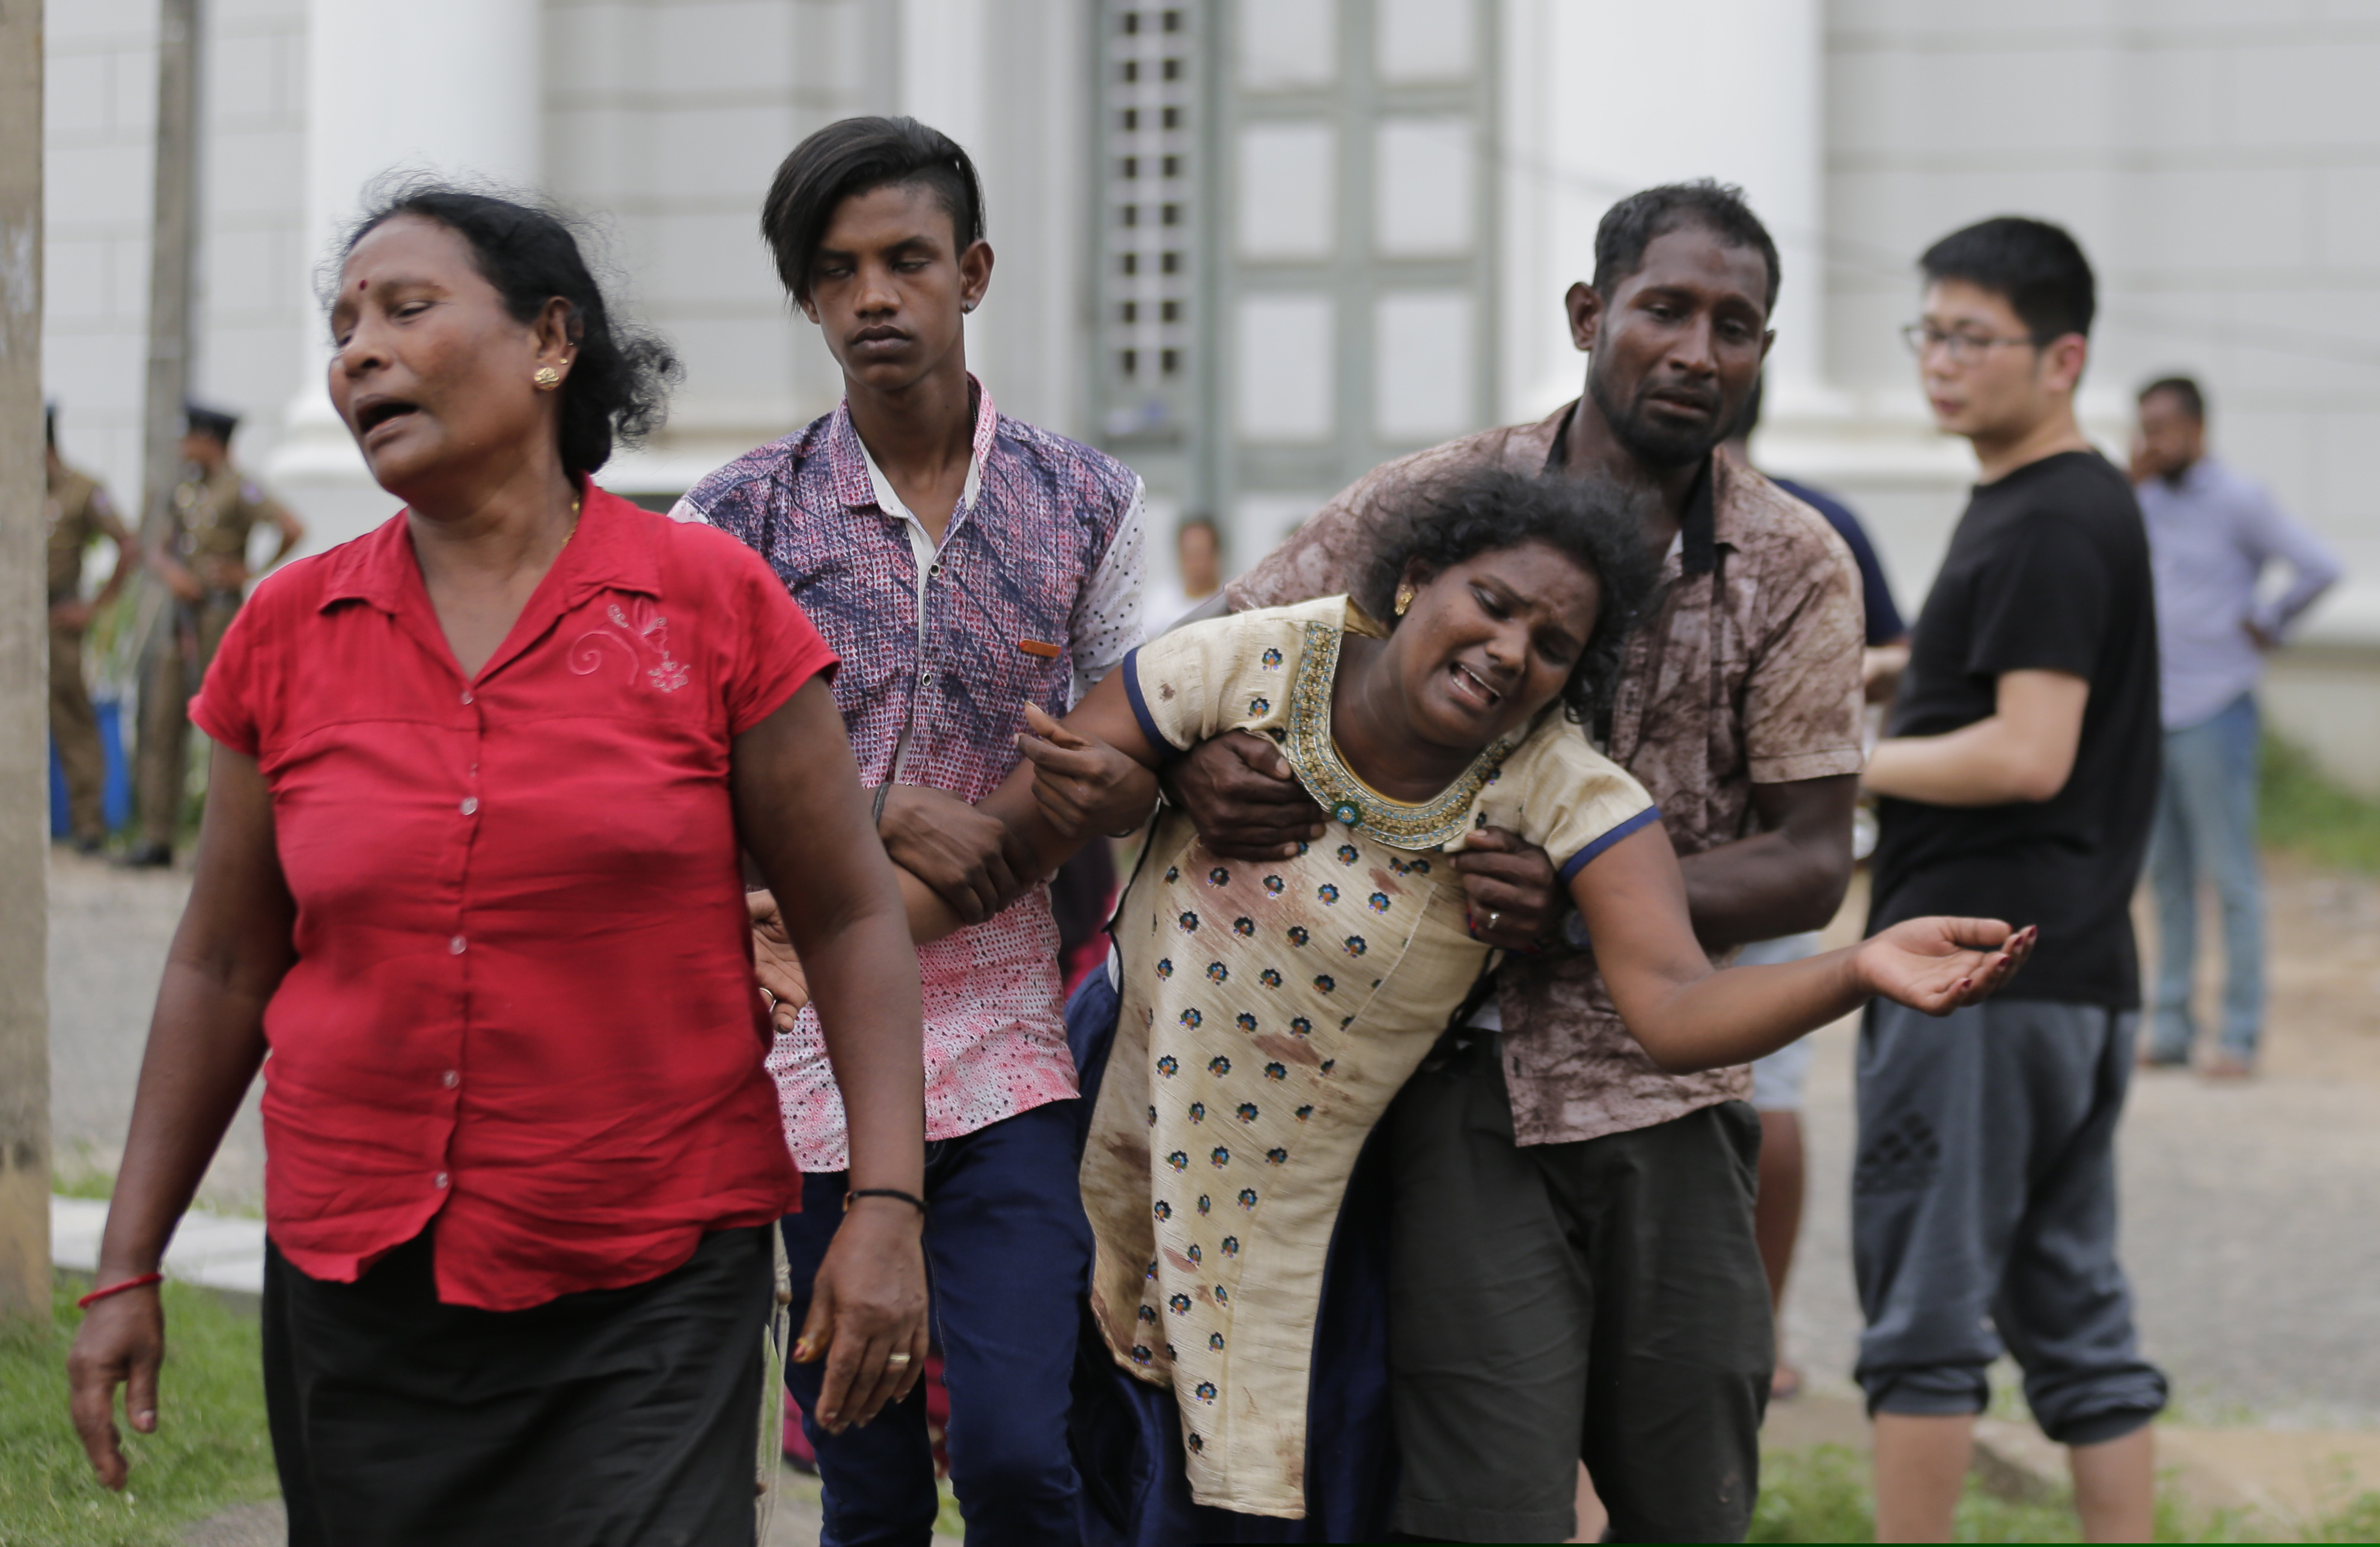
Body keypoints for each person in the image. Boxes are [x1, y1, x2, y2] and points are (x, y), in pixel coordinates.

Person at [752, 466, 2032, 1534]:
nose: (1508, 652)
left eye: (1552, 646)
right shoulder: (1242, 666)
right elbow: (1008, 854)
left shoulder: (1561, 791)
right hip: (1115, 1166)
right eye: (1492, 603)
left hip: (1301, 1244)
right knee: (1046, 1473)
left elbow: (1674, 1009)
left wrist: (1857, 970)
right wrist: (811, 947)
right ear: (1417, 581)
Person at [64, 185, 933, 1547]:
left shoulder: (710, 605)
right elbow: (224, 960)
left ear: (548, 342)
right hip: (358, 1286)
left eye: (405, 309)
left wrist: (884, 1200)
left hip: (650, 1273)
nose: (356, 350)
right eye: (342, 324)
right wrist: (125, 1263)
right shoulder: (286, 628)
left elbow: (847, 913)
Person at [1167, 181, 1868, 1541]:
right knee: (1480, 1502)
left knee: (1690, 1495)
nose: (1694, 349)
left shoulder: (1794, 563)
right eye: (1664, 308)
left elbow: (1806, 858)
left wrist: (1587, 909)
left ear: (1761, 356)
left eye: (1734, 325)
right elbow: (1225, 642)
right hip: (1446, 1082)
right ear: (1589, 313)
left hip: (1667, 1086)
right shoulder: (1443, 498)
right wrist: (1199, 761)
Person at [674, 117, 1151, 1545]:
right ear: (808, 299)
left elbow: (1135, 741)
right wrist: (867, 810)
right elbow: (681, 769)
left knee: (1017, 1449)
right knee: (867, 1476)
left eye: (905, 260)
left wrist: (1053, 799)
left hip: (1014, 1042)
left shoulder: (1086, 498)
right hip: (805, 1047)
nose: (873, 295)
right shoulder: (736, 517)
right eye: (836, 271)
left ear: (974, 271)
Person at [1860, 216, 2170, 1542]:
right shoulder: (2057, 504)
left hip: (1971, 978)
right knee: (2074, 1316)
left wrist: (1849, 760)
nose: (1939, 361)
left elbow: (2029, 750)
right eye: (1927, 332)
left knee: (1923, 1321)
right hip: (2077, 978)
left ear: (2062, 358)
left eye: (1970, 337)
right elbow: (1995, 676)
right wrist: (1898, 669)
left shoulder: (2047, 520)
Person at [1722, 379, 1912, 1402]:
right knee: (1769, 1091)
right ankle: (1762, 1335)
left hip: (1751, 854)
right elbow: (1906, 653)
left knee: (1765, 1096)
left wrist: (1833, 674)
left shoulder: (1815, 525)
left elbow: (1902, 652)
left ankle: (1759, 1331)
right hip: (1777, 851)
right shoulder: (1825, 522)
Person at [2129, 374, 2342, 1078]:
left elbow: (2320, 566)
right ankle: (2169, 1028)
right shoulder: (2145, 497)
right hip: (2152, 710)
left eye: (2165, 428)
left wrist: (2272, 623)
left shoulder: (2240, 499)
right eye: (2145, 427)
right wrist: (2126, 484)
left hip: (2216, 708)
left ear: (2198, 428)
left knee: (2231, 878)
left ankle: (2240, 1035)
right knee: (2165, 878)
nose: (2155, 441)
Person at [125, 401, 305, 867]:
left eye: (191, 437)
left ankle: (221, 841)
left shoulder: (240, 489)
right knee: (162, 721)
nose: (185, 446)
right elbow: (157, 546)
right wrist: (170, 573)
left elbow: (291, 528)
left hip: (220, 617)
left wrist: (250, 572)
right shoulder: (183, 488)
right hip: (177, 619)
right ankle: (156, 836)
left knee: (225, 726)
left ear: (210, 440)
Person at [44, 404, 138, 853]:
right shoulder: (4, 489)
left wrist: (97, 606)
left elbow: (128, 544)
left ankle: (87, 824)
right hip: (8, 625)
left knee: (73, 722)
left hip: (56, 621)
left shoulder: (82, 490)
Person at [1144, 516, 1224, 639]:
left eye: (1202, 554)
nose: (1197, 564)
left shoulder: (1228, 599)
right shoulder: (1160, 599)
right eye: (1191, 554)